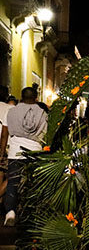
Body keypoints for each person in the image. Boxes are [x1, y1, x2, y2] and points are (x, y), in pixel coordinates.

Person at [4, 87, 47, 225]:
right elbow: (45, 134)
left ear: (21, 97)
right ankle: (32, 215)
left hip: (15, 151)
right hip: (35, 151)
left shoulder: (12, 112)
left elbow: (5, 132)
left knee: (12, 183)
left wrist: (2, 151)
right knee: (34, 184)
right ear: (36, 98)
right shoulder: (43, 113)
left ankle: (10, 212)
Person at [0, 86, 14, 205]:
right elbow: (5, 133)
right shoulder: (10, 109)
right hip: (7, 146)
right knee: (10, 175)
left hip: (4, 146)